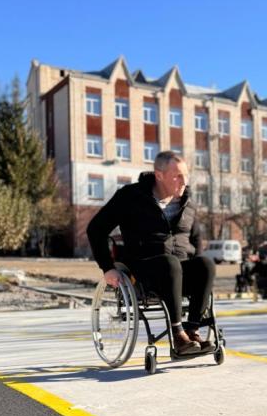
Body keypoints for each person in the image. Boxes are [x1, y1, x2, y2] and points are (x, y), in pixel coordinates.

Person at [87, 151, 215, 356]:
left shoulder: (188, 202)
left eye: (186, 175)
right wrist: (108, 268)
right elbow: (96, 229)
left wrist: (197, 261)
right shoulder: (131, 196)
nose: (184, 181)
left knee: (205, 264)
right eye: (177, 176)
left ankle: (192, 331)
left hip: (178, 274)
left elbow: (196, 239)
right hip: (145, 274)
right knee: (170, 263)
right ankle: (178, 334)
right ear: (159, 175)